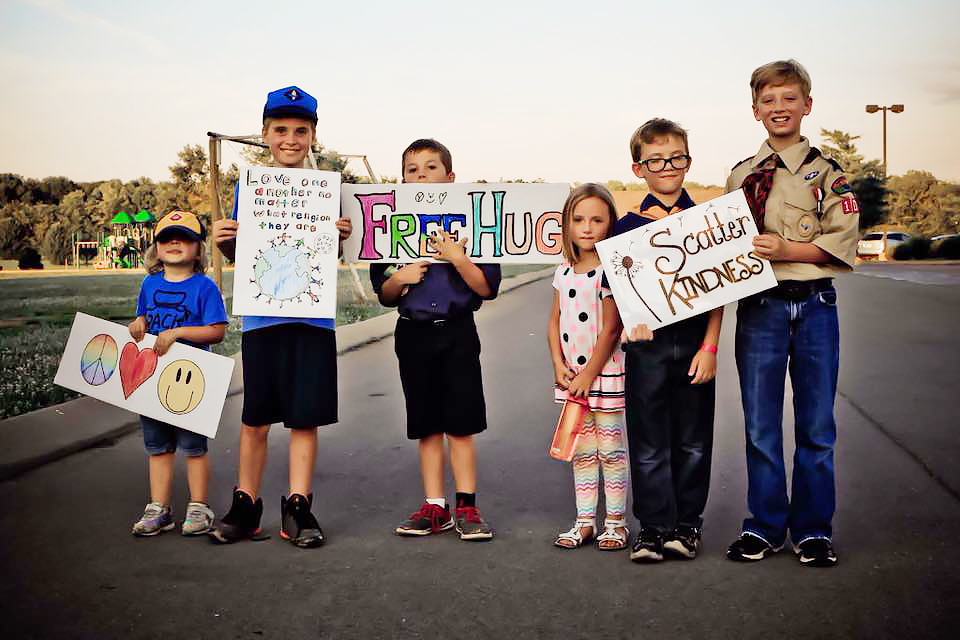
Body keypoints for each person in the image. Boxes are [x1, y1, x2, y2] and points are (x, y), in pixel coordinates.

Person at [724, 60, 858, 567]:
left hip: (814, 305)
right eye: (769, 100)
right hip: (760, 309)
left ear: (806, 105)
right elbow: (725, 248)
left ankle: (812, 530)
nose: (779, 108)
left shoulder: (828, 173)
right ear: (755, 110)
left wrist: (785, 250)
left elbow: (841, 244)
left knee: (816, 426)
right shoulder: (741, 176)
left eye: (789, 99)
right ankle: (763, 527)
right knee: (760, 425)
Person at [208, 86, 352, 548]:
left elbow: (333, 254)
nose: (291, 138)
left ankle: (298, 506)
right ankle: (246, 504)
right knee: (256, 417)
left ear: (313, 136)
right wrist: (225, 238)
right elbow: (240, 254)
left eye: (301, 130)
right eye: (281, 130)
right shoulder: (250, 188)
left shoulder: (329, 191)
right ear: (266, 134)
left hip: (312, 321)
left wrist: (341, 235)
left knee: (304, 417)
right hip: (263, 319)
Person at [369, 138, 500, 541]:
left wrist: (458, 257)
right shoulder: (391, 230)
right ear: (402, 180)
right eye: (412, 170)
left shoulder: (474, 227)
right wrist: (400, 278)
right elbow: (385, 295)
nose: (421, 175)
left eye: (430, 168)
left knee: (460, 423)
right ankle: (434, 506)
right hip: (413, 332)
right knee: (426, 424)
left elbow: (486, 289)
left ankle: (467, 505)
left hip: (458, 331)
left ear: (450, 177)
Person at [616, 119, 723, 562]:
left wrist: (710, 347)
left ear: (688, 162)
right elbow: (616, 292)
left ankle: (687, 526)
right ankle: (653, 528)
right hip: (648, 350)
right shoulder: (625, 227)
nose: (667, 167)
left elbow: (722, 289)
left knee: (694, 441)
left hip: (695, 345)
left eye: (676, 158)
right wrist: (627, 324)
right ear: (639, 168)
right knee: (647, 443)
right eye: (655, 160)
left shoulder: (707, 223)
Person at [128, 210, 228, 536]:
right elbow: (142, 320)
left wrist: (179, 333)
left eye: (185, 238)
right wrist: (138, 325)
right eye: (166, 238)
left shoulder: (204, 287)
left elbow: (216, 331)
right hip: (153, 378)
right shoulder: (149, 284)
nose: (174, 243)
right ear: (155, 248)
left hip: (191, 380)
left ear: (198, 249)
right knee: (157, 445)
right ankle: (159, 508)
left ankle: (199, 507)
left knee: (193, 446)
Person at [548, 184, 628, 551]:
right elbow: (553, 321)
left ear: (610, 224)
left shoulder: (609, 271)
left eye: (597, 220)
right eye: (578, 219)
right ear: (566, 224)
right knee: (580, 450)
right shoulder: (563, 270)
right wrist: (558, 366)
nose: (586, 227)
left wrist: (588, 375)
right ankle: (584, 522)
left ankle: (616, 522)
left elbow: (611, 328)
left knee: (610, 449)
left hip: (604, 374)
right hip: (571, 379)